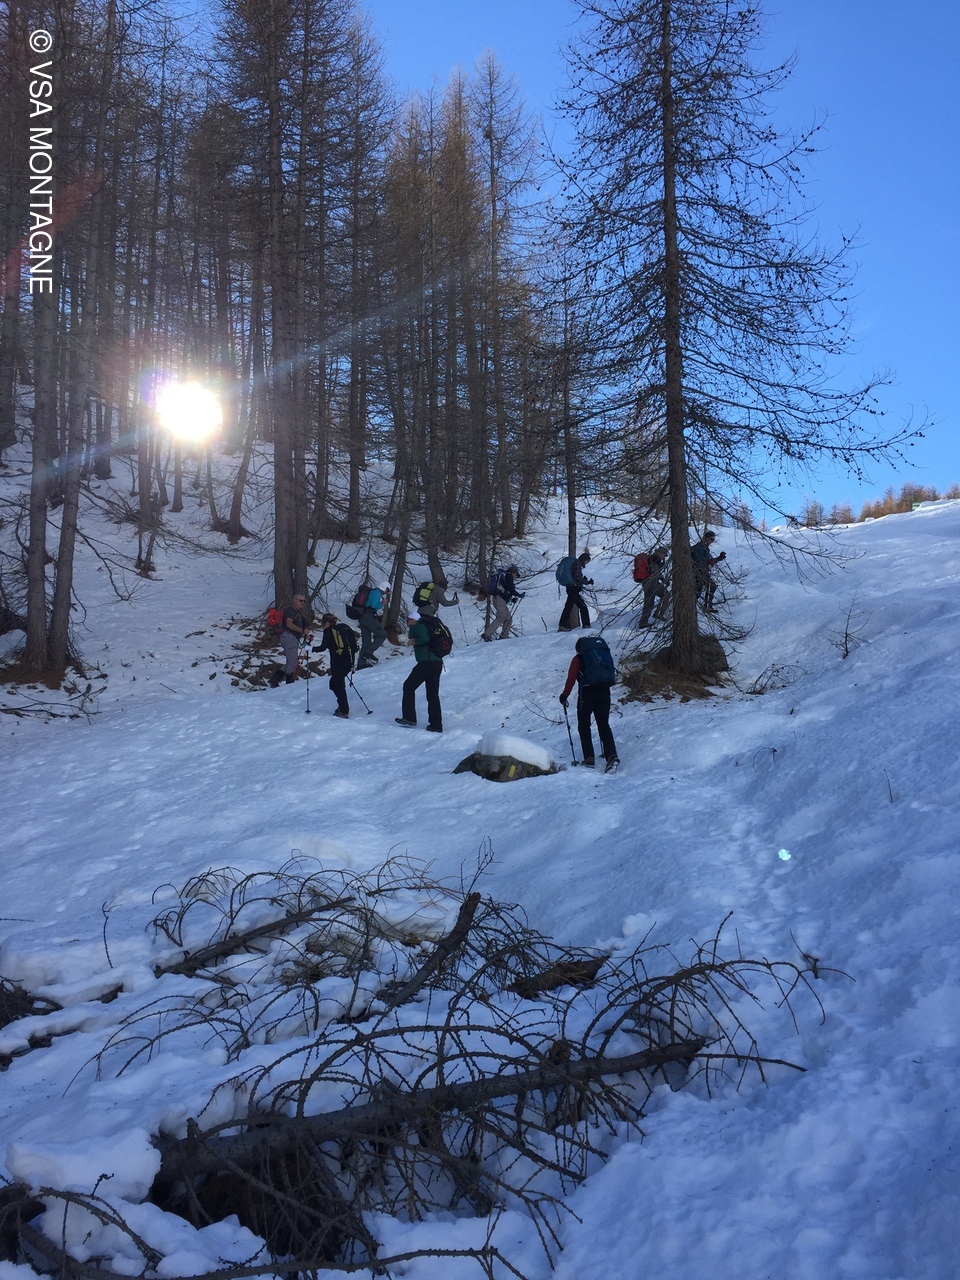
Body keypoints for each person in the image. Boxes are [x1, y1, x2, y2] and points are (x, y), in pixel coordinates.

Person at [559, 636, 619, 771]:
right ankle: (611, 756)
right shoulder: (601, 655)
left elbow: (571, 679)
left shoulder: (578, 659)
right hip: (604, 691)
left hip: (587, 694)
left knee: (584, 725)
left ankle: (589, 758)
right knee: (603, 724)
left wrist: (564, 695)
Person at [396, 611, 443, 732]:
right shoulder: (425, 626)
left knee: (408, 686)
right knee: (432, 695)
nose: (407, 622)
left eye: (409, 620)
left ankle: (409, 717)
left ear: (414, 620)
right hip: (436, 663)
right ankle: (436, 725)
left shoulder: (419, 626)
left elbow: (425, 638)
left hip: (427, 662)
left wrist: (414, 641)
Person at [317, 613, 358, 718]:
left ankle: (344, 710)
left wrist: (310, 648)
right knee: (336, 683)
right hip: (349, 661)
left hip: (337, 662)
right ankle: (342, 706)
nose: (323, 626)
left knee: (337, 685)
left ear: (326, 623)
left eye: (323, 624)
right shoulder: (344, 628)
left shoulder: (329, 631)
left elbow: (322, 647)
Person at [270, 591, 311, 687]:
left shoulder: (297, 613)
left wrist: (307, 636)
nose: (302, 603)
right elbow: (289, 624)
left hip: (291, 638)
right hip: (289, 637)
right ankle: (289, 685)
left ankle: (274, 680)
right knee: (293, 663)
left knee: (292, 662)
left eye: (304, 601)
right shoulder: (291, 610)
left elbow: (295, 629)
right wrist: (302, 631)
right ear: (294, 600)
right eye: (300, 600)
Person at [483, 565, 523, 641]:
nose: (515, 576)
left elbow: (506, 592)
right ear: (513, 572)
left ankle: (504, 636)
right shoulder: (508, 575)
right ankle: (487, 635)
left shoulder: (505, 577)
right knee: (501, 617)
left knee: (508, 618)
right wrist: (518, 595)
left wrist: (512, 600)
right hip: (499, 598)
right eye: (516, 574)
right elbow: (510, 589)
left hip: (499, 599)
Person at [691, 531, 726, 612]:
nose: (712, 541)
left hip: (702, 572)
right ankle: (704, 607)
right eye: (711, 539)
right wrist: (710, 562)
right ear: (706, 538)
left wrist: (718, 558)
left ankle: (702, 607)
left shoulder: (704, 548)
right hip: (699, 572)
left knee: (699, 591)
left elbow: (707, 561)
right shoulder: (700, 547)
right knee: (706, 588)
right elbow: (699, 561)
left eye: (713, 539)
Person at [357, 581, 390, 668]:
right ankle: (369, 652)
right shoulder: (376, 592)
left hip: (362, 617)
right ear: (385, 588)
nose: (387, 592)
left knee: (366, 641)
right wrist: (382, 604)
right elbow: (373, 606)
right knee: (382, 634)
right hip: (369, 617)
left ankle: (361, 663)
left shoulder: (372, 591)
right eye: (388, 590)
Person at [559, 550, 593, 631]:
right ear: (584, 559)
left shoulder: (575, 564)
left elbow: (576, 577)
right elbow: (577, 577)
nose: (586, 563)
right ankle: (586, 625)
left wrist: (583, 580)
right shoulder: (577, 564)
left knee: (568, 607)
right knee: (582, 606)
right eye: (586, 561)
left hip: (570, 588)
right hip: (573, 589)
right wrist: (587, 582)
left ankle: (562, 625)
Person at [638, 547, 669, 627]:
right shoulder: (655, 559)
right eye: (664, 555)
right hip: (651, 583)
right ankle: (658, 614)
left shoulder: (651, 558)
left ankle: (643, 622)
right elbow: (656, 572)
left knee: (649, 602)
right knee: (666, 594)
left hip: (646, 582)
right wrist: (663, 580)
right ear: (661, 553)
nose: (664, 557)